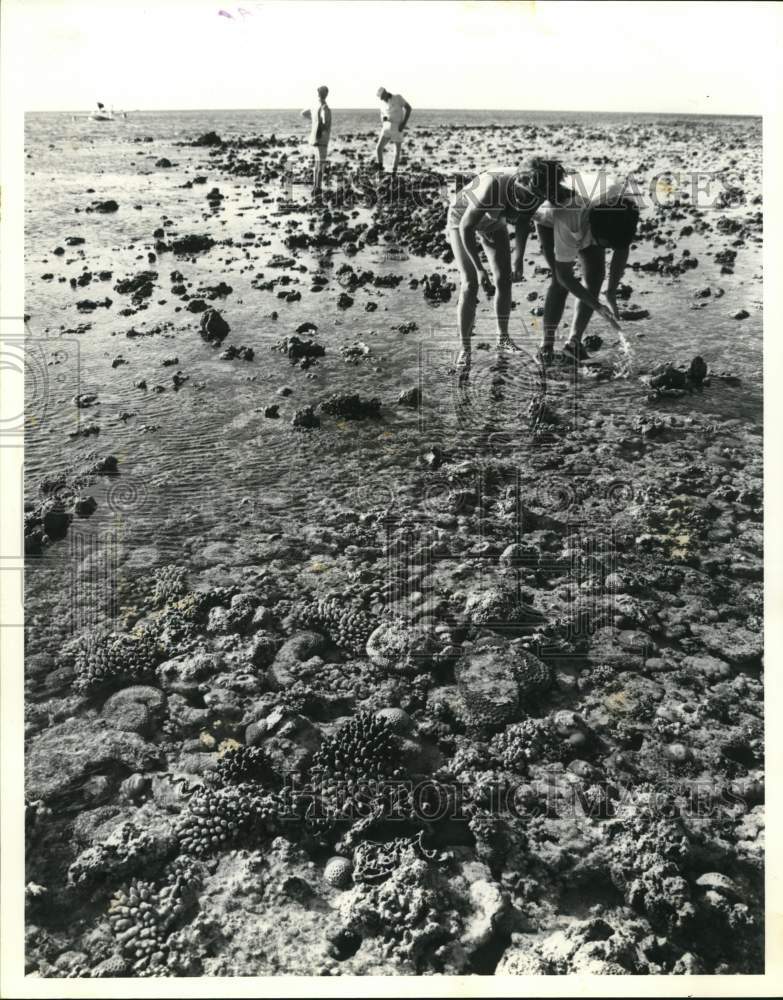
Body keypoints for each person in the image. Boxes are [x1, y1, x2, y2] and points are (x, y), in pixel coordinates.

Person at [446, 157, 565, 370]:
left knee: (504, 280)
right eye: (524, 195)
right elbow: (467, 227)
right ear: (518, 182)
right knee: (470, 283)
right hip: (461, 219)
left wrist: (519, 259)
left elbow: (523, 222)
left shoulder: (537, 190)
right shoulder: (493, 186)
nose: (527, 200)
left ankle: (503, 338)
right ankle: (465, 348)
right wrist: (479, 269)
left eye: (535, 198)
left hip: (493, 220)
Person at [534, 175, 640, 363]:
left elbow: (622, 247)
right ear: (592, 228)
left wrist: (611, 291)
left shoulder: (626, 210)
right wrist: (597, 305)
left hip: (591, 209)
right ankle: (546, 346)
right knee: (559, 283)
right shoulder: (569, 216)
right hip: (550, 218)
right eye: (604, 245)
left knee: (596, 275)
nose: (605, 249)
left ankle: (574, 343)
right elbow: (564, 275)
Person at [300, 85, 332, 196]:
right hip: (322, 138)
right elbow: (325, 122)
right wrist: (321, 124)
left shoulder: (314, 106)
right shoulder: (324, 107)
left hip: (314, 138)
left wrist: (314, 120)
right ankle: (318, 188)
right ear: (326, 94)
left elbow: (303, 113)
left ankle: (315, 187)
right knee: (321, 164)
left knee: (317, 164)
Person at [375, 87, 412, 174]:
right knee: (378, 148)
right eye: (380, 98)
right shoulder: (382, 104)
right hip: (386, 127)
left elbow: (409, 108)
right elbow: (382, 116)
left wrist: (404, 124)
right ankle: (380, 169)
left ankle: (394, 173)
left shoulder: (398, 98)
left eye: (382, 97)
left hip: (397, 127)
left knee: (396, 151)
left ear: (385, 93)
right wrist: (383, 119)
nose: (381, 99)